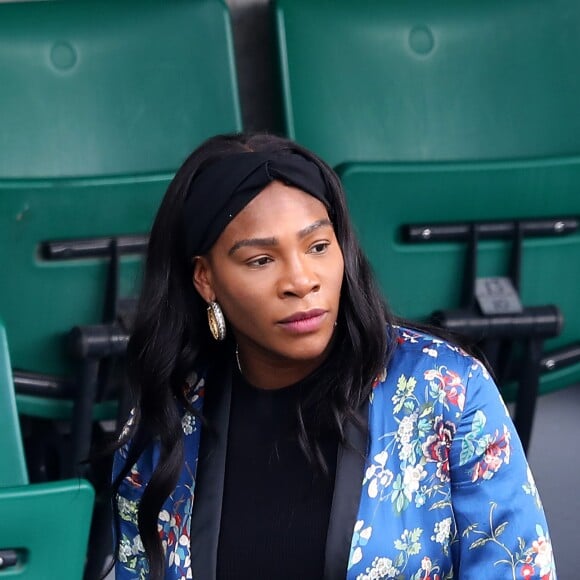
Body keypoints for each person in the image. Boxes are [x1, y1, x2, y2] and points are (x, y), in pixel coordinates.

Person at [112, 133, 556, 580]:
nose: (301, 280)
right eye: (261, 260)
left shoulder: (445, 389)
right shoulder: (167, 417)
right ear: (205, 279)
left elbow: (519, 567)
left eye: (318, 247)